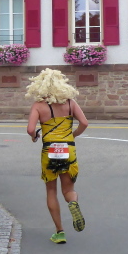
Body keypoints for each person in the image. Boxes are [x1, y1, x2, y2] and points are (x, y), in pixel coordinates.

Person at [26, 68, 89, 245]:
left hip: (49, 149)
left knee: (51, 191)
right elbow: (84, 123)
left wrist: (35, 136)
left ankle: (60, 232)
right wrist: (73, 135)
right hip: (68, 148)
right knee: (68, 190)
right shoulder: (70, 103)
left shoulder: (38, 105)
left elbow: (30, 129)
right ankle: (73, 202)